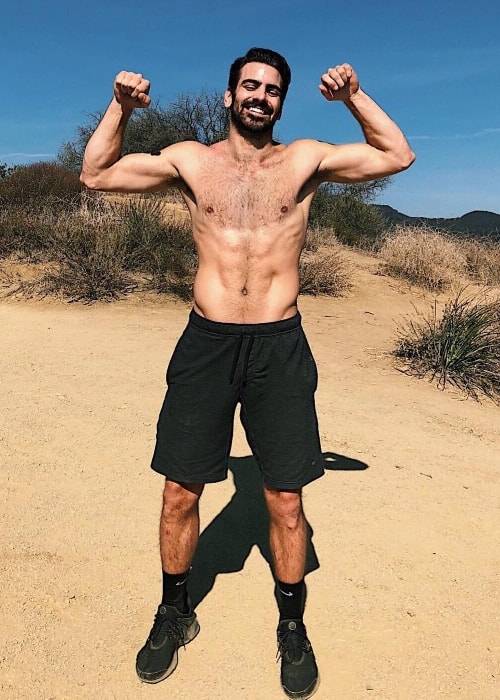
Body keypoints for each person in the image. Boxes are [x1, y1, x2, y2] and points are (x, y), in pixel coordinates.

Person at [81, 47, 415, 699]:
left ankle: (292, 624)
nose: (260, 96)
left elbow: (397, 155)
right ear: (229, 95)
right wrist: (120, 107)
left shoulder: (305, 159)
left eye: (272, 89)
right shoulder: (189, 160)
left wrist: (353, 96)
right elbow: (96, 175)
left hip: (278, 346)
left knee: (286, 500)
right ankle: (173, 610)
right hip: (206, 344)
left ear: (281, 102)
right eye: (250, 86)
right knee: (180, 492)